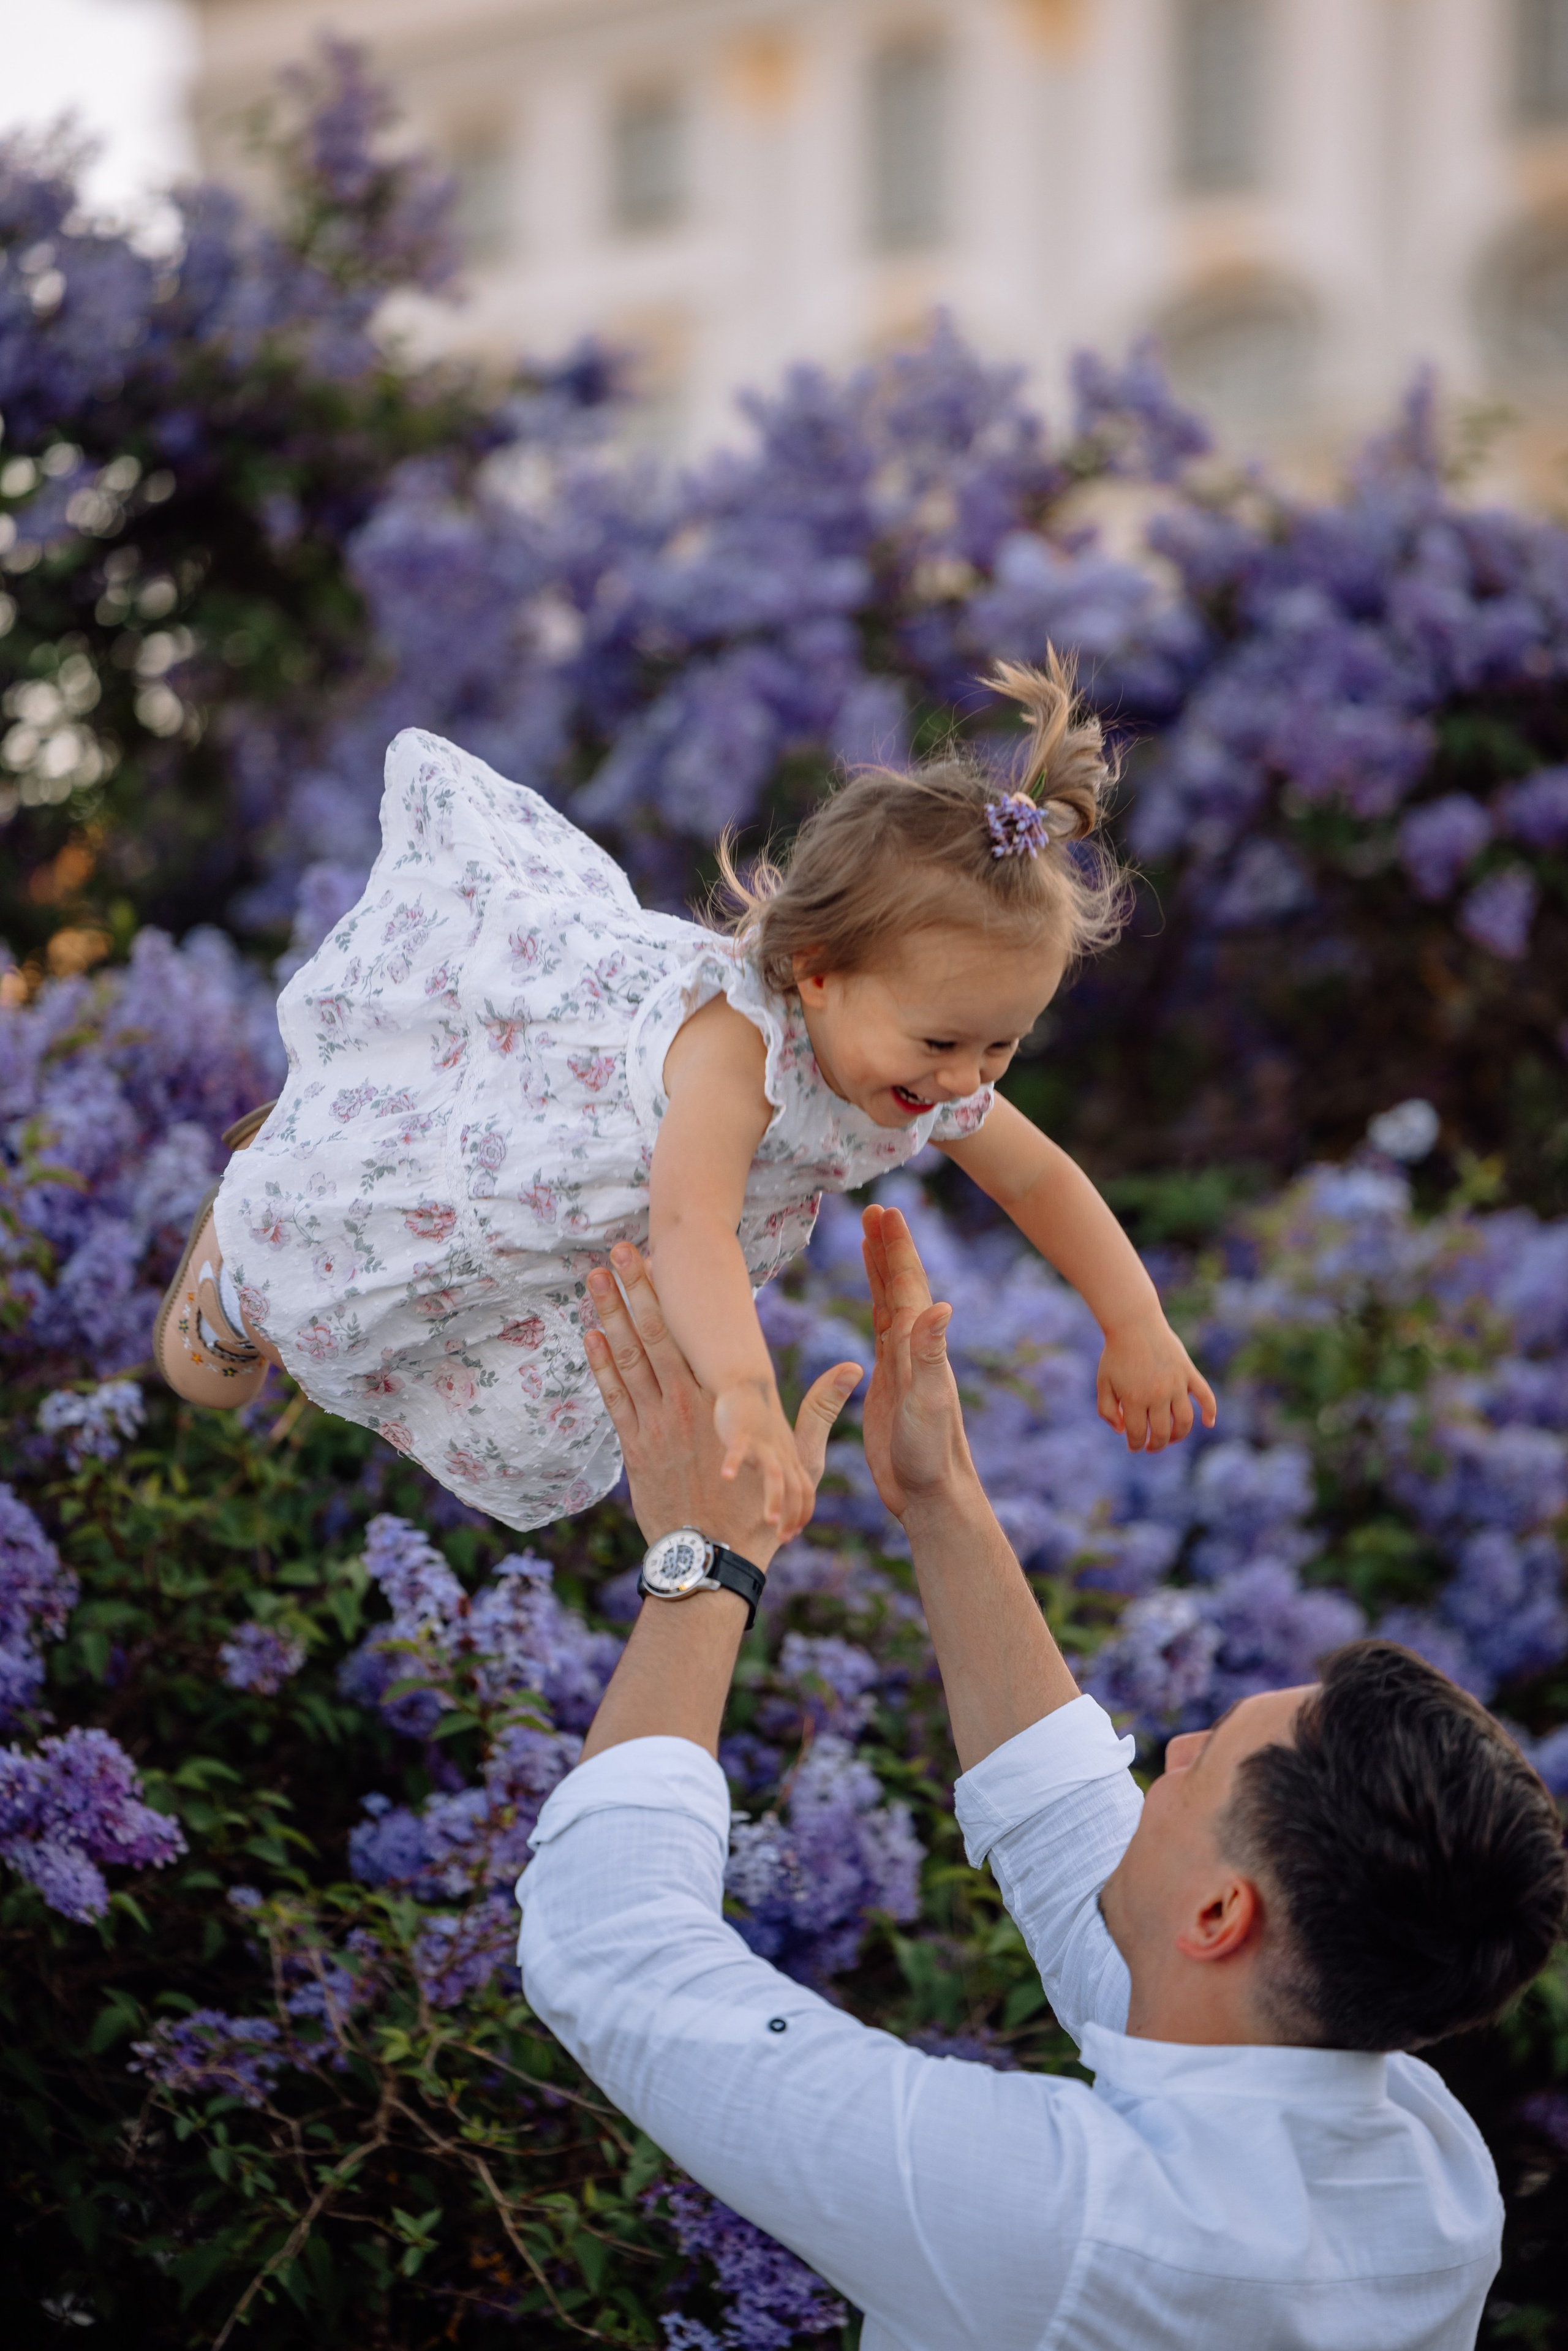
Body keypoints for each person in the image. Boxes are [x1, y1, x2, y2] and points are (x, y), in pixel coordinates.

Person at [516, 1204, 1568, 2351]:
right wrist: (940, 1492)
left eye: (1204, 1761)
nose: (1165, 1753)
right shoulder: (1421, 2162)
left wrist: (704, 1556)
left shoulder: (1064, 2222)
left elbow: (611, 1943)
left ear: (1223, 1911)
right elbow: (1085, 1853)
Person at [153, 655, 1214, 1535]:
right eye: (943, 1041)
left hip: (610, 1221)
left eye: (1001, 1045)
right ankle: (249, 1245)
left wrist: (1136, 1321)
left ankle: (310, 1158)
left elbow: (1037, 1176)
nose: (963, 1080)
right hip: (561, 1138)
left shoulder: (933, 1067)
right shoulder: (736, 1050)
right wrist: (745, 1393)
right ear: (816, 973)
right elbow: (692, 1223)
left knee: (537, 1403)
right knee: (350, 1273)